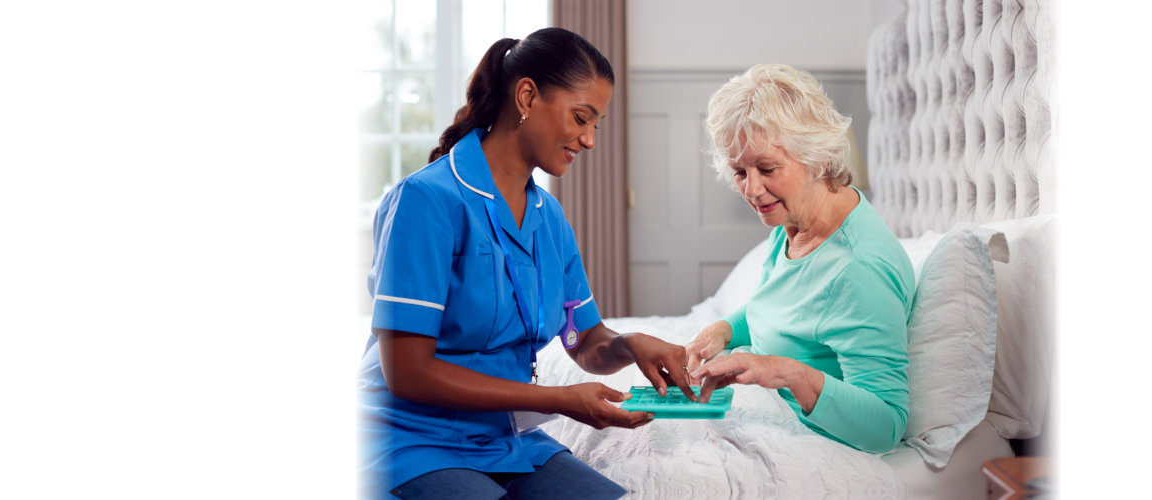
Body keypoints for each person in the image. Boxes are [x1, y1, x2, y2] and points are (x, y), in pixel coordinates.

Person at [360, 28, 698, 500]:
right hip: (409, 439)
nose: (590, 140)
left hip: (501, 439)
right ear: (526, 96)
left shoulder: (549, 217)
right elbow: (407, 371)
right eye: (582, 118)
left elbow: (584, 340)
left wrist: (628, 344)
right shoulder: (426, 200)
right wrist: (559, 399)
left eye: (596, 124)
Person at [683, 64, 916, 454]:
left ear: (818, 158)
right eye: (740, 171)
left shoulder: (858, 269)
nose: (753, 189)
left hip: (816, 440)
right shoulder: (795, 219)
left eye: (768, 168)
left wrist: (787, 372)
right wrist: (723, 330)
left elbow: (886, 426)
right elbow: (783, 308)